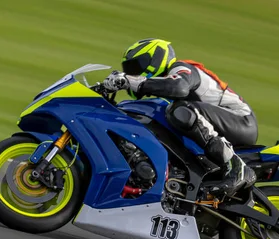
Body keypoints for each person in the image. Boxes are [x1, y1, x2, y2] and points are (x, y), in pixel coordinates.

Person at [103, 38, 258, 197]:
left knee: (179, 110)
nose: (133, 73)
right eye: (129, 70)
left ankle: (237, 167)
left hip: (241, 120)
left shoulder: (182, 68)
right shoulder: (166, 86)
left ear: (156, 58)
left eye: (137, 66)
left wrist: (132, 81)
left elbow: (179, 87)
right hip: (216, 121)